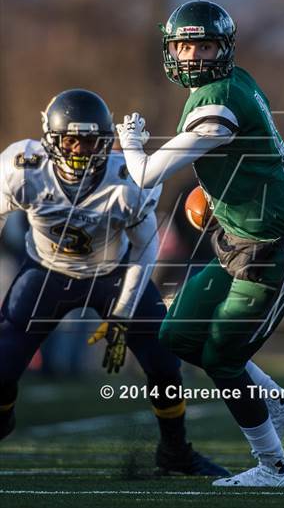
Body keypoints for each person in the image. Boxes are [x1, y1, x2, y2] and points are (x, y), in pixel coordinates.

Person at [116, 0, 284, 487]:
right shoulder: (235, 83)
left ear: (223, 47)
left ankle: (275, 467)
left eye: (204, 45)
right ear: (170, 47)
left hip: (271, 255)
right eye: (185, 45)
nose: (194, 55)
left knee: (221, 357)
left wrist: (131, 140)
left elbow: (144, 175)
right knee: (177, 337)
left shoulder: (217, 103)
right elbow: (265, 160)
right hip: (241, 241)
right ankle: (279, 403)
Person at [0, 88, 229, 477]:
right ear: (49, 139)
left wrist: (122, 313)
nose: (78, 150)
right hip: (47, 272)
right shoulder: (22, 167)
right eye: (70, 140)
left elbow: (145, 250)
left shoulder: (127, 180)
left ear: (106, 143)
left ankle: (175, 451)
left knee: (163, 361)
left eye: (88, 141)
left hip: (115, 272)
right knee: (2, 366)